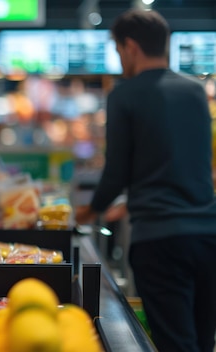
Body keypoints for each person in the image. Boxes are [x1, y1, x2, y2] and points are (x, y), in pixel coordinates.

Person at [75, 9, 216, 352]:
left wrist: (90, 211)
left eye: (118, 50)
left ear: (132, 47)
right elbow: (189, 163)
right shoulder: (195, 92)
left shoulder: (124, 95)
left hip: (159, 240)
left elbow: (117, 171)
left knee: (175, 343)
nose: (119, 59)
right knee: (202, 341)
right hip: (207, 236)